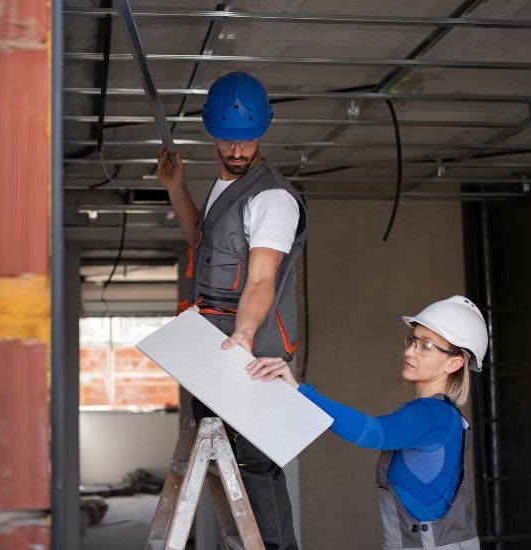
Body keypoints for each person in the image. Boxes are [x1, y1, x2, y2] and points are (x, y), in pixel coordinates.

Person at [157, 71, 306, 549]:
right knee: (228, 471)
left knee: (255, 471)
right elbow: (202, 243)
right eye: (227, 140)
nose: (238, 151)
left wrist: (242, 335)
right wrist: (176, 187)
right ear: (210, 132)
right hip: (213, 353)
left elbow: (261, 278)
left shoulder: (272, 198)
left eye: (247, 140)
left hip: (249, 355)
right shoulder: (226, 187)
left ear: (264, 130)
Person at [246, 296, 488, 550]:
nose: (409, 351)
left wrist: (300, 391)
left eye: (426, 346)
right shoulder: (445, 414)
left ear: (454, 363)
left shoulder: (431, 414)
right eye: (412, 340)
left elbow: (373, 433)